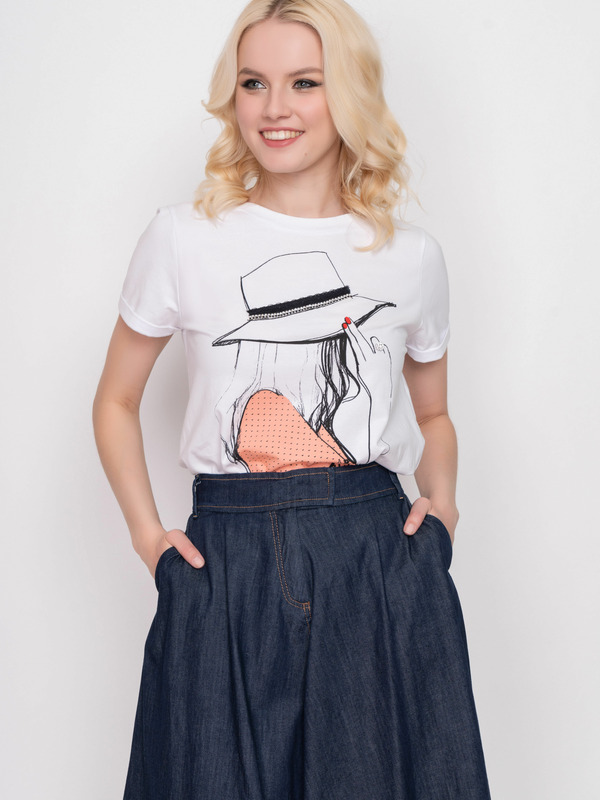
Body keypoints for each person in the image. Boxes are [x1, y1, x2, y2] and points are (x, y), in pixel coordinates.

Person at [93, 0, 492, 797]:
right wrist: (149, 540)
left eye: (305, 82)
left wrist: (442, 512)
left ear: (349, 93)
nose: (275, 107)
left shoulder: (410, 258)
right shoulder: (182, 238)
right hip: (227, 559)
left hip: (374, 555)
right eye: (254, 83)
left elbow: (434, 414)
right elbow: (115, 400)